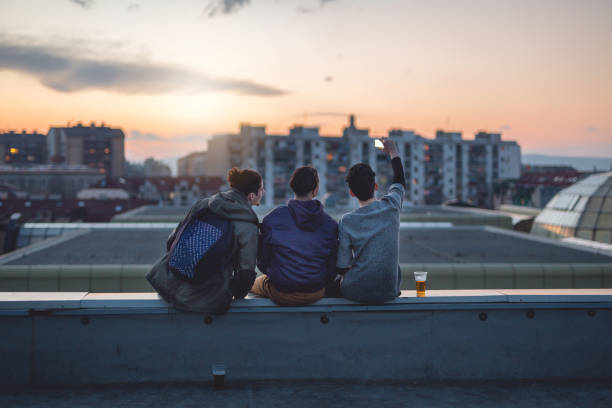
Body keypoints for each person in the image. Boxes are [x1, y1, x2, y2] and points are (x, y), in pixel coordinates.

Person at [146, 167, 264, 314]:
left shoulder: (203, 204)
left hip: (166, 283)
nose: (263, 192)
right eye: (261, 189)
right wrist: (235, 294)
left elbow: (172, 241)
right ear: (252, 196)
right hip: (204, 300)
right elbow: (245, 273)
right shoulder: (247, 225)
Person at [331, 138, 406, 303]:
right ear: (376, 186)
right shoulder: (392, 206)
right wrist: (393, 151)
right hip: (389, 290)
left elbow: (342, 266)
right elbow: (400, 181)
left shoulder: (347, 221)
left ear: (351, 193)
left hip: (355, 290)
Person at [252, 166, 338, 305]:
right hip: (315, 291)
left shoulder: (273, 218)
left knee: (255, 284)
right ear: (315, 190)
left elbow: (262, 261)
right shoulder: (330, 224)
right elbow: (331, 268)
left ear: (293, 187)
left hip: (281, 292)